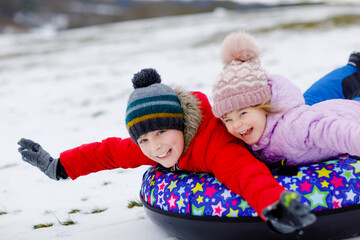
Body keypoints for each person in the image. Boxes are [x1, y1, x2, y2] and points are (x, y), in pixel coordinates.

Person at [18, 68, 315, 234]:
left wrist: (274, 203)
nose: (156, 146)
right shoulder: (152, 147)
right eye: (144, 139)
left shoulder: (212, 144)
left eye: (161, 131)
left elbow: (243, 172)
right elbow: (107, 152)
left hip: (282, 123)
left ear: (181, 123)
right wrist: (57, 165)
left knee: (316, 102)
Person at [212, 31, 360, 167]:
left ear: (263, 105)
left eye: (242, 113)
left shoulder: (293, 128)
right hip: (325, 110)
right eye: (228, 120)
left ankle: (355, 68)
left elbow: (336, 132)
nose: (236, 125)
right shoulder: (249, 133)